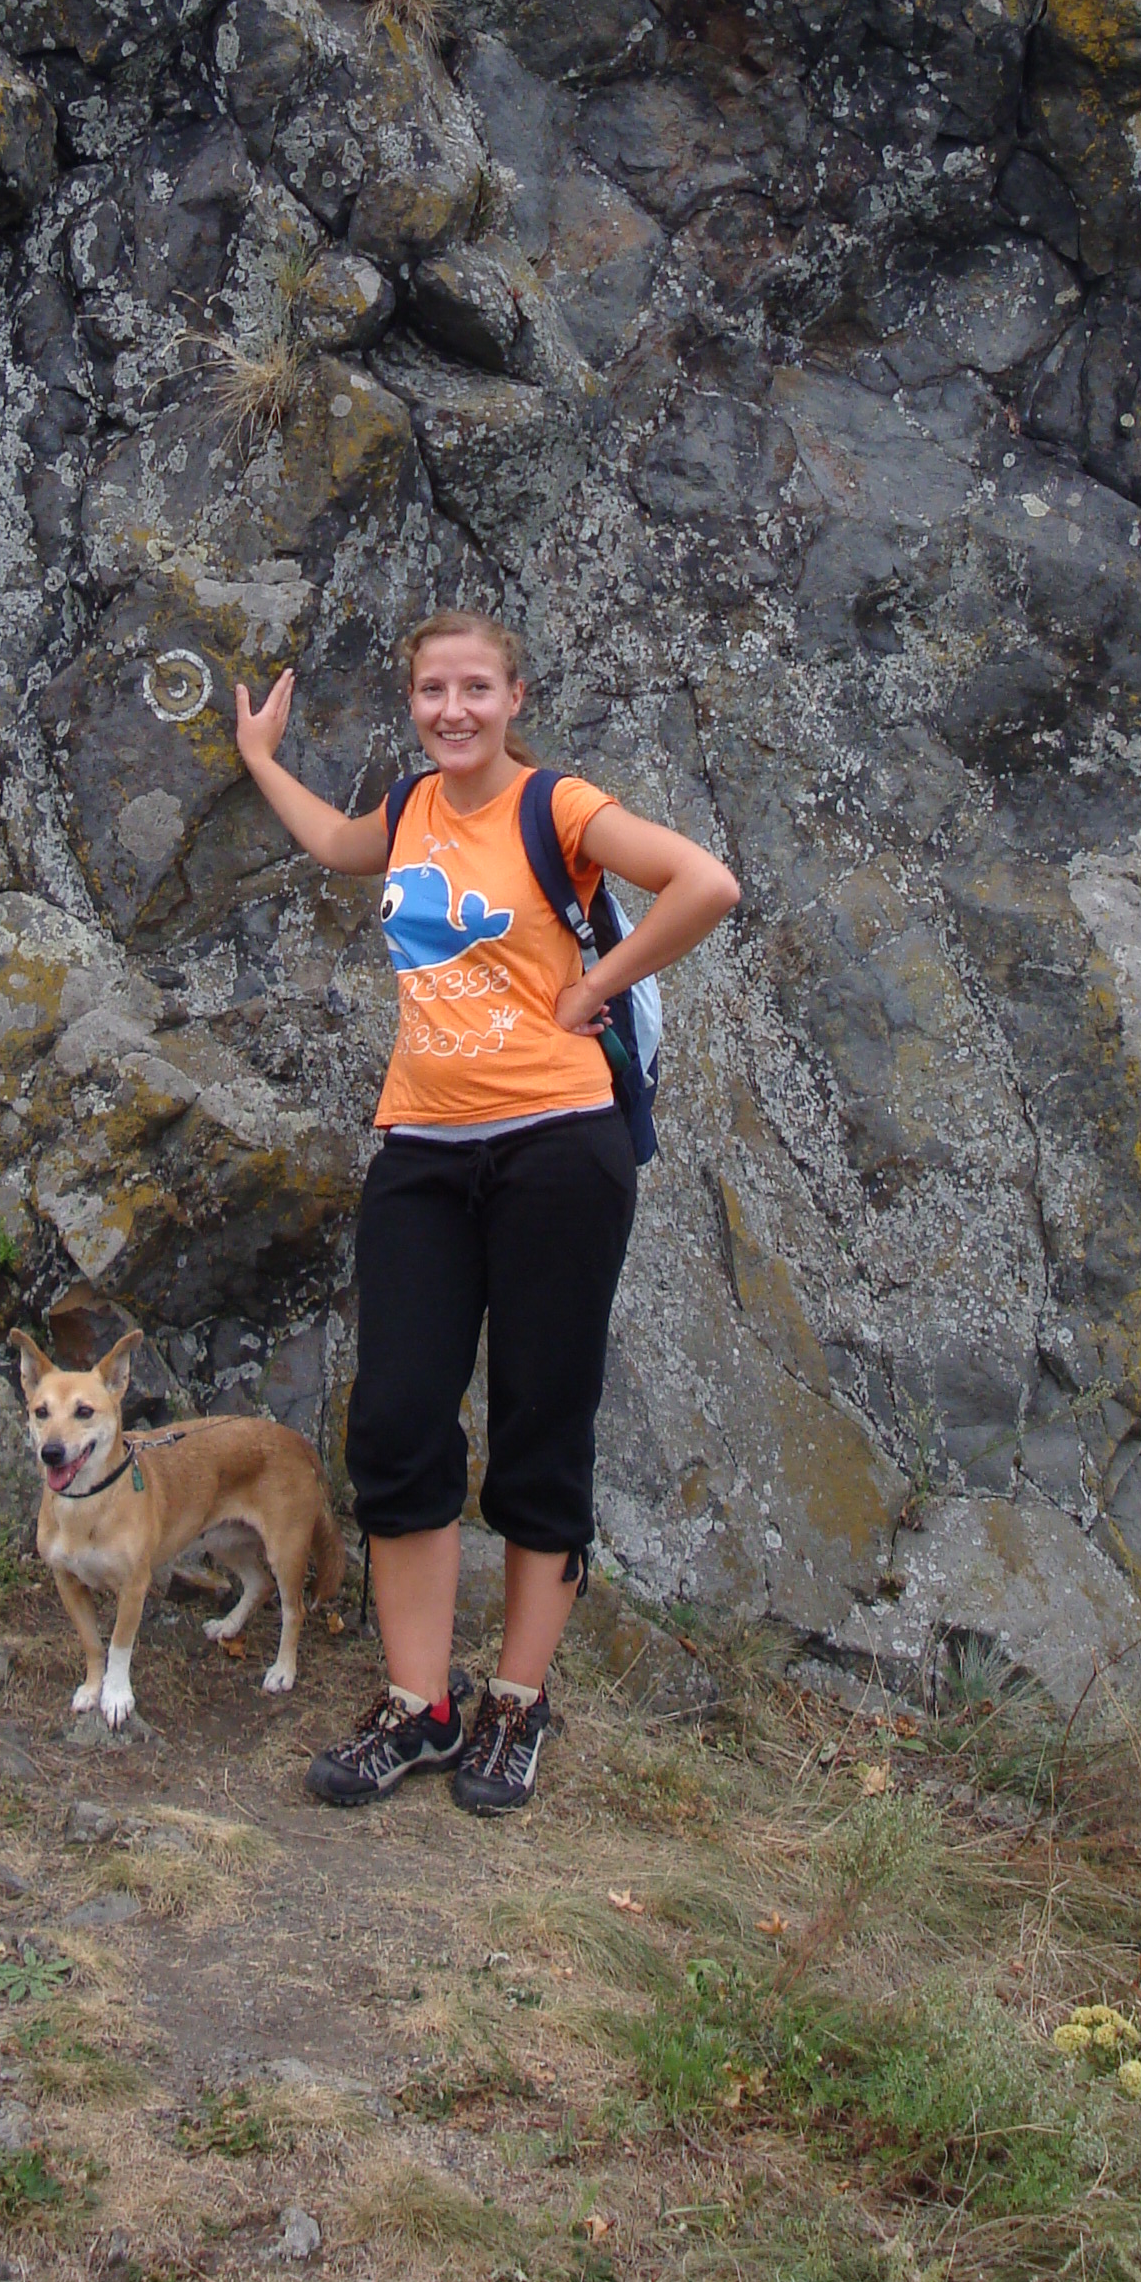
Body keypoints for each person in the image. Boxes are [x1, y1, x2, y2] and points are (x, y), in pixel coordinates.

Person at [231, 612, 740, 1815]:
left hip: (559, 1148)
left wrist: (596, 985)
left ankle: (517, 1702)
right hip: (422, 1148)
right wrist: (259, 758)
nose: (451, 711)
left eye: (474, 690)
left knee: (540, 1418)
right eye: (431, 691)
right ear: (413, 702)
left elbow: (705, 884)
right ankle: (421, 1707)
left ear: (515, 697)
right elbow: (338, 845)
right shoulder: (411, 807)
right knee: (398, 1420)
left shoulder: (558, 806)